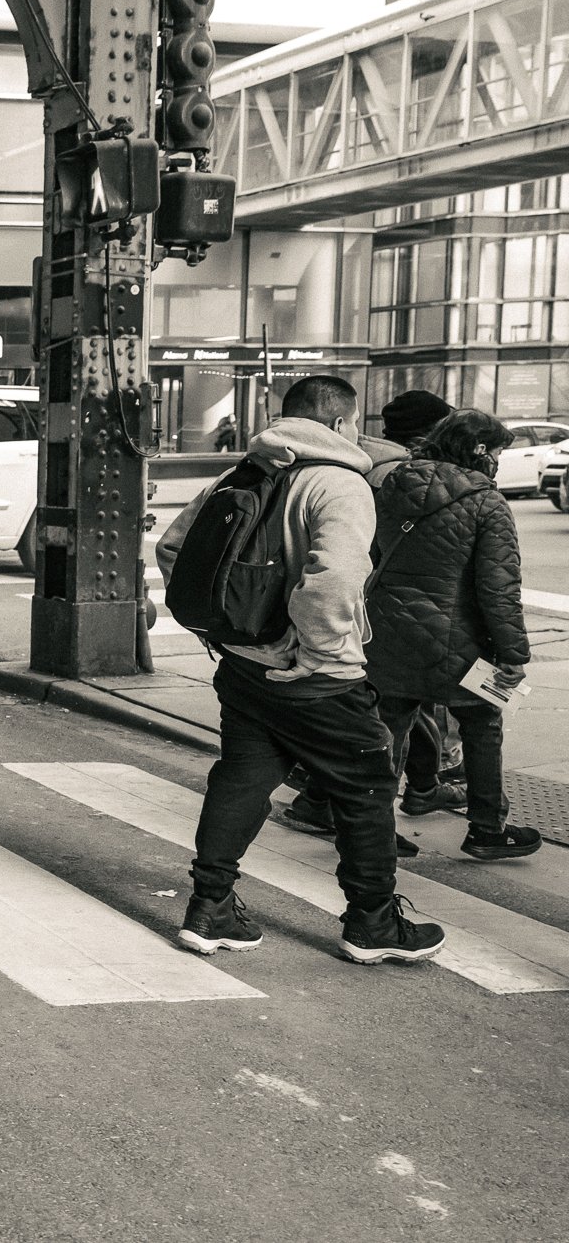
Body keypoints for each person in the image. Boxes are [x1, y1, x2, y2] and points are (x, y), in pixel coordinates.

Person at [156, 375, 445, 965]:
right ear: (341, 423)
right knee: (366, 791)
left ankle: (209, 908)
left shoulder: (240, 474)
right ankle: (373, 922)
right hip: (317, 676)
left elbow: (171, 550)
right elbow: (335, 578)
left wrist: (228, 629)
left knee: (241, 779)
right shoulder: (338, 484)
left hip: (242, 668)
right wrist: (315, 653)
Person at [280, 388, 458, 838]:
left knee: (398, 709)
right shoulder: (395, 476)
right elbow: (339, 568)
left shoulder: (341, 464)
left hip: (365, 612)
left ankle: (415, 785)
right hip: (380, 614)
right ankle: (360, 829)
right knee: (384, 717)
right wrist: (324, 653)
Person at [365, 411, 542, 862]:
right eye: (499, 451)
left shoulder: (390, 487)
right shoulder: (487, 503)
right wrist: (513, 654)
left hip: (387, 629)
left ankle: (373, 830)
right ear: (480, 450)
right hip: (458, 638)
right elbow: (499, 588)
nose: (501, 460)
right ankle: (486, 829)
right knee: (483, 726)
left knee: (388, 728)